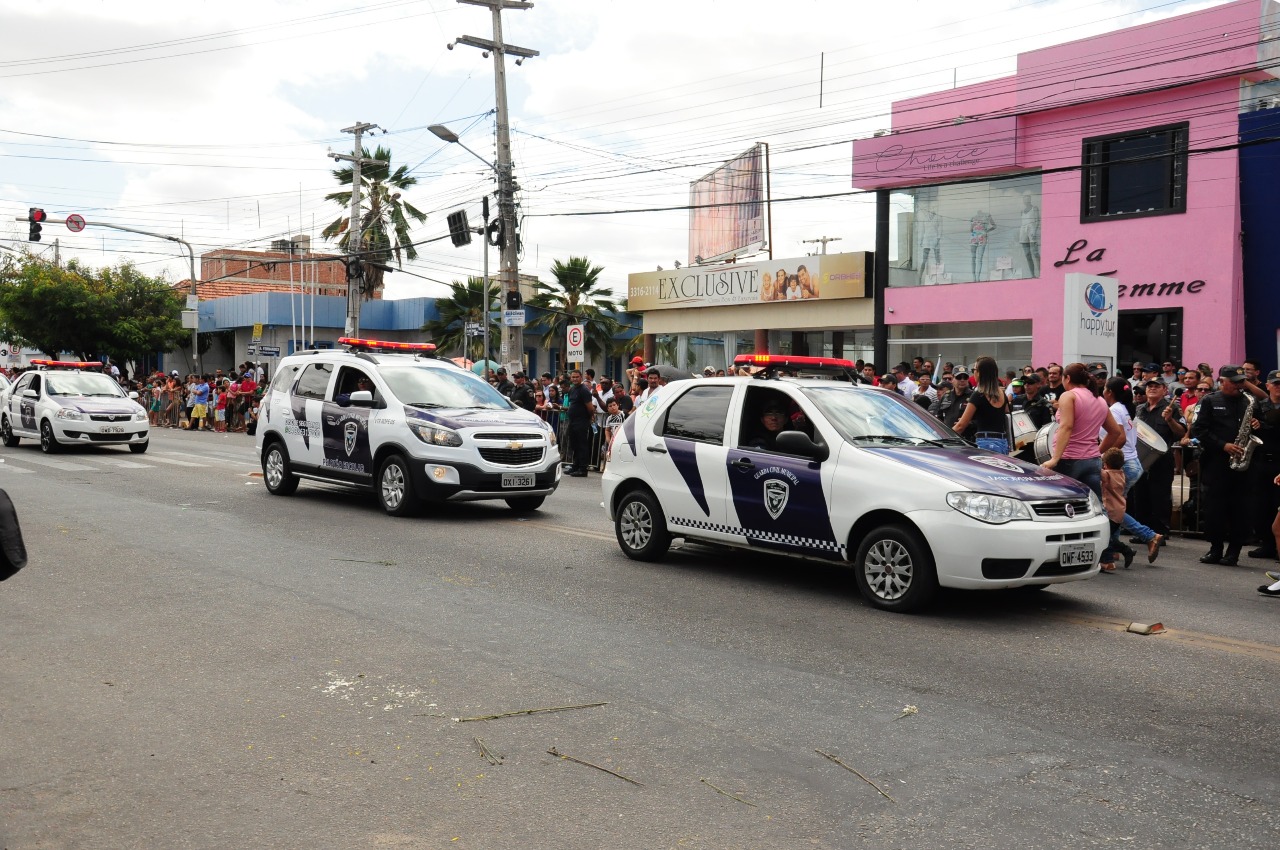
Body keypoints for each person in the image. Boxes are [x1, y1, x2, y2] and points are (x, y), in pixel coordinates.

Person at [1190, 365, 1254, 565]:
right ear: (1222, 382)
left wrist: (1258, 426)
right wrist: (1223, 445)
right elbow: (1199, 430)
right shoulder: (1210, 400)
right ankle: (1215, 548)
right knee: (1215, 509)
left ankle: (1234, 551)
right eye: (1234, 381)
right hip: (1217, 463)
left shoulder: (1248, 401)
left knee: (1240, 509)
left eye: (1240, 381)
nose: (1238, 385)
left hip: (1242, 466)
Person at [1101, 376, 1163, 566]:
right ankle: (1113, 551)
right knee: (1115, 508)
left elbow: (1118, 438)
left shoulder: (1114, 409)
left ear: (1109, 392)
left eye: (1104, 388)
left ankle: (1149, 536)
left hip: (1124, 464)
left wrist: (1105, 456)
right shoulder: (1123, 408)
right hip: (1132, 463)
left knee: (1111, 510)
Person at [1041, 362, 1124, 499]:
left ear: (1067, 378)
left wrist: (1055, 459)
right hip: (1092, 461)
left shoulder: (1068, 396)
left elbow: (1066, 427)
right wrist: (1097, 452)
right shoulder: (1099, 400)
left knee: (1064, 504)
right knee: (1094, 504)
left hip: (1069, 459)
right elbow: (1115, 432)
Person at [1129, 379, 1186, 542]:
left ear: (1164, 390)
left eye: (1156, 386)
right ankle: (1143, 532)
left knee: (1160, 497)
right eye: (1149, 386)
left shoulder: (1172, 408)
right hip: (1140, 460)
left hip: (1161, 461)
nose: (1152, 389)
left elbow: (1181, 433)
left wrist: (1169, 420)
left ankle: (1160, 533)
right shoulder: (1140, 409)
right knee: (1140, 496)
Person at [1248, 370, 1280, 559]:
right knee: (1260, 505)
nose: (1278, 387)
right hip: (1260, 460)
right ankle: (1267, 544)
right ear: (1267, 386)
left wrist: (1264, 425)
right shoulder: (1258, 406)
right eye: (1274, 383)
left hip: (1278, 462)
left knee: (1278, 505)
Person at [952, 356, 1011, 453]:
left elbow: (960, 426)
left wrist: (943, 437)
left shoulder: (978, 394)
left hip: (985, 442)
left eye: (974, 370)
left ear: (980, 372)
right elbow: (1006, 413)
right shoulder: (1001, 393)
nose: (973, 373)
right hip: (1002, 442)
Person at [1099, 448, 1127, 572]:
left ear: (1106, 464)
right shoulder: (1121, 474)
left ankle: (1108, 562)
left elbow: (1097, 471)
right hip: (1120, 510)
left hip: (1110, 511)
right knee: (1110, 537)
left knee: (1106, 539)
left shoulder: (1107, 475)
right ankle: (1126, 550)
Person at [563, 369, 595, 477]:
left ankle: (582, 468)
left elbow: (590, 408)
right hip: (572, 421)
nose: (575, 379)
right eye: (573, 377)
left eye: (577, 377)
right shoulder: (572, 389)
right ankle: (575, 465)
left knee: (582, 445)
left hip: (581, 421)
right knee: (574, 444)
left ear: (581, 377)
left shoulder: (584, 390)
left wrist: (590, 418)